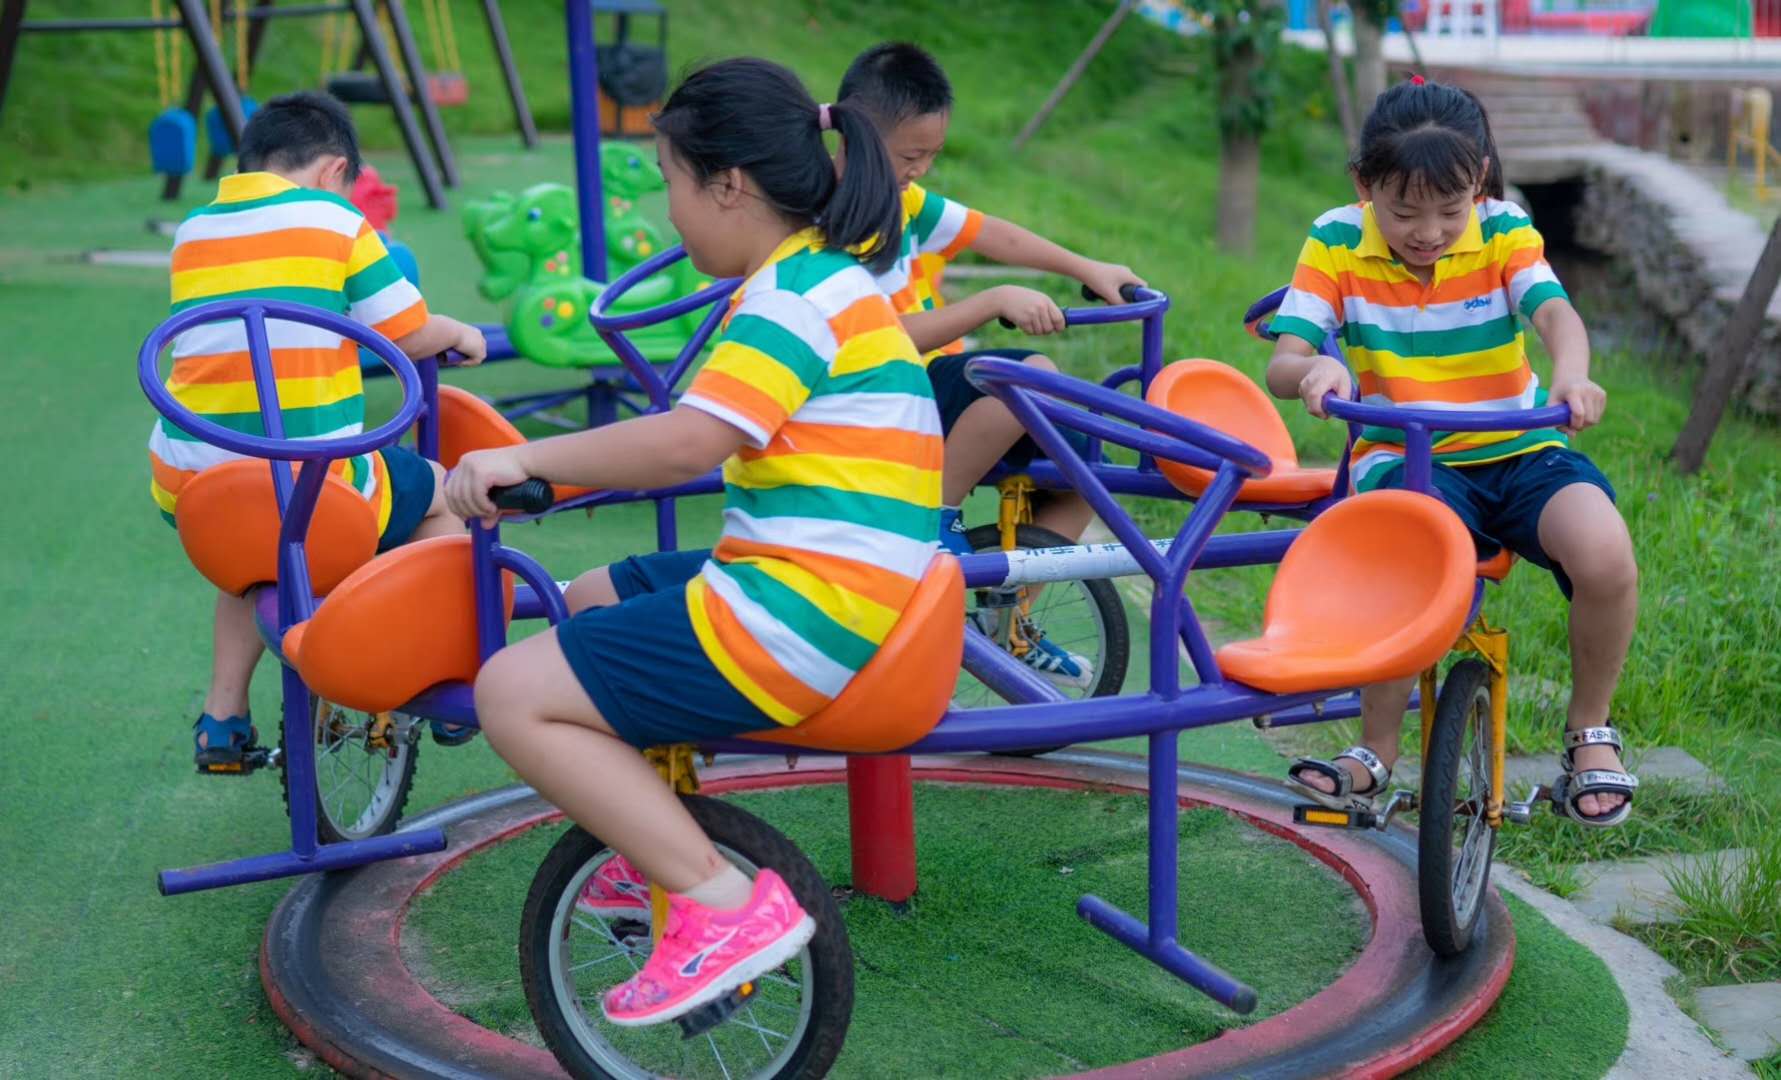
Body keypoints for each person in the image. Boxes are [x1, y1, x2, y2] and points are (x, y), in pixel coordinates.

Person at [446, 58, 940, 1025]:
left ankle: (715, 900)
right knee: (594, 594)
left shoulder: (791, 298)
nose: (669, 212)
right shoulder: (822, 277)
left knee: (509, 691)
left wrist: (525, 457)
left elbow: (689, 442)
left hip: (806, 611)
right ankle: (651, 845)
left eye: (672, 182)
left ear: (728, 184)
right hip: (841, 587)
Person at [1265, 78, 1639, 828]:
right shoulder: (1335, 239)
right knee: (1404, 566)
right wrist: (1316, 370)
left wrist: (1571, 375)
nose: (1429, 232)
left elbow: (1555, 316)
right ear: (1364, 185)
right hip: (1407, 456)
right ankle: (1375, 750)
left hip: (1520, 444)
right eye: (1404, 212)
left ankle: (1589, 730)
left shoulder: (1503, 229)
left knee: (1605, 555)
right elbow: (1284, 361)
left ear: (1480, 182)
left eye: (1450, 208)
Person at [149, 91, 486, 772]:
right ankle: (449, 670)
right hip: (310, 486)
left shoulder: (193, 230)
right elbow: (407, 332)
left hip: (194, 487)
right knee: (439, 492)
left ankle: (222, 718)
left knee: (253, 551)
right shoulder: (337, 219)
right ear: (335, 170)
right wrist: (459, 331)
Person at [836, 41, 1145, 687]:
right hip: (879, 389)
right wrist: (991, 301)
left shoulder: (902, 200)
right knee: (1022, 379)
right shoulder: (831, 219)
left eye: (930, 156)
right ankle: (927, 522)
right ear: (856, 134)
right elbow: (872, 341)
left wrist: (1085, 267)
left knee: (1082, 466)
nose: (920, 170)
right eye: (910, 156)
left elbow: (990, 233)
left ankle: (1010, 621)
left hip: (925, 382)